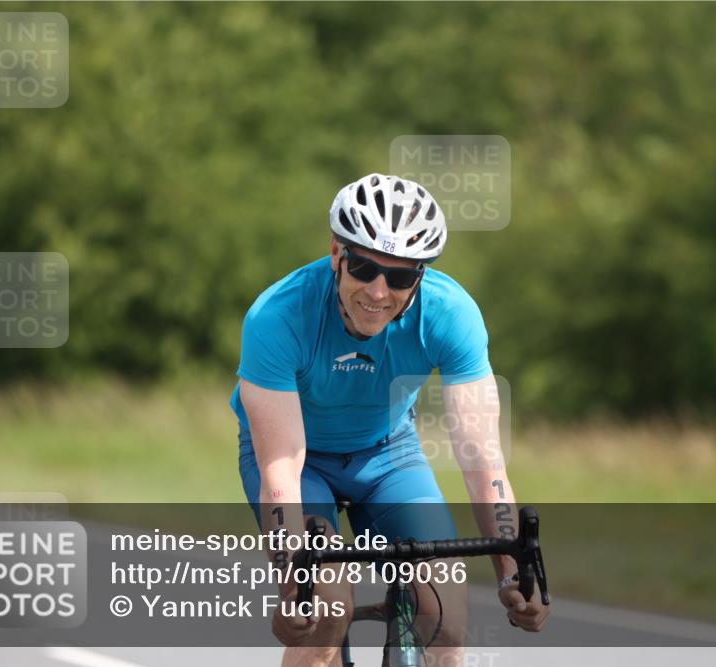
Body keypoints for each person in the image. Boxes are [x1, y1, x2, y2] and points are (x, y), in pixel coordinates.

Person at [231, 173, 549, 667]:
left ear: (420, 276)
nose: (379, 292)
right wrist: (293, 581)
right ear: (337, 253)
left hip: (387, 454)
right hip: (301, 462)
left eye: (400, 277)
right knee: (325, 612)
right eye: (364, 267)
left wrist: (512, 572)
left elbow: (482, 456)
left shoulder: (451, 314)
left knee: (446, 617)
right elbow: (282, 470)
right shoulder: (278, 315)